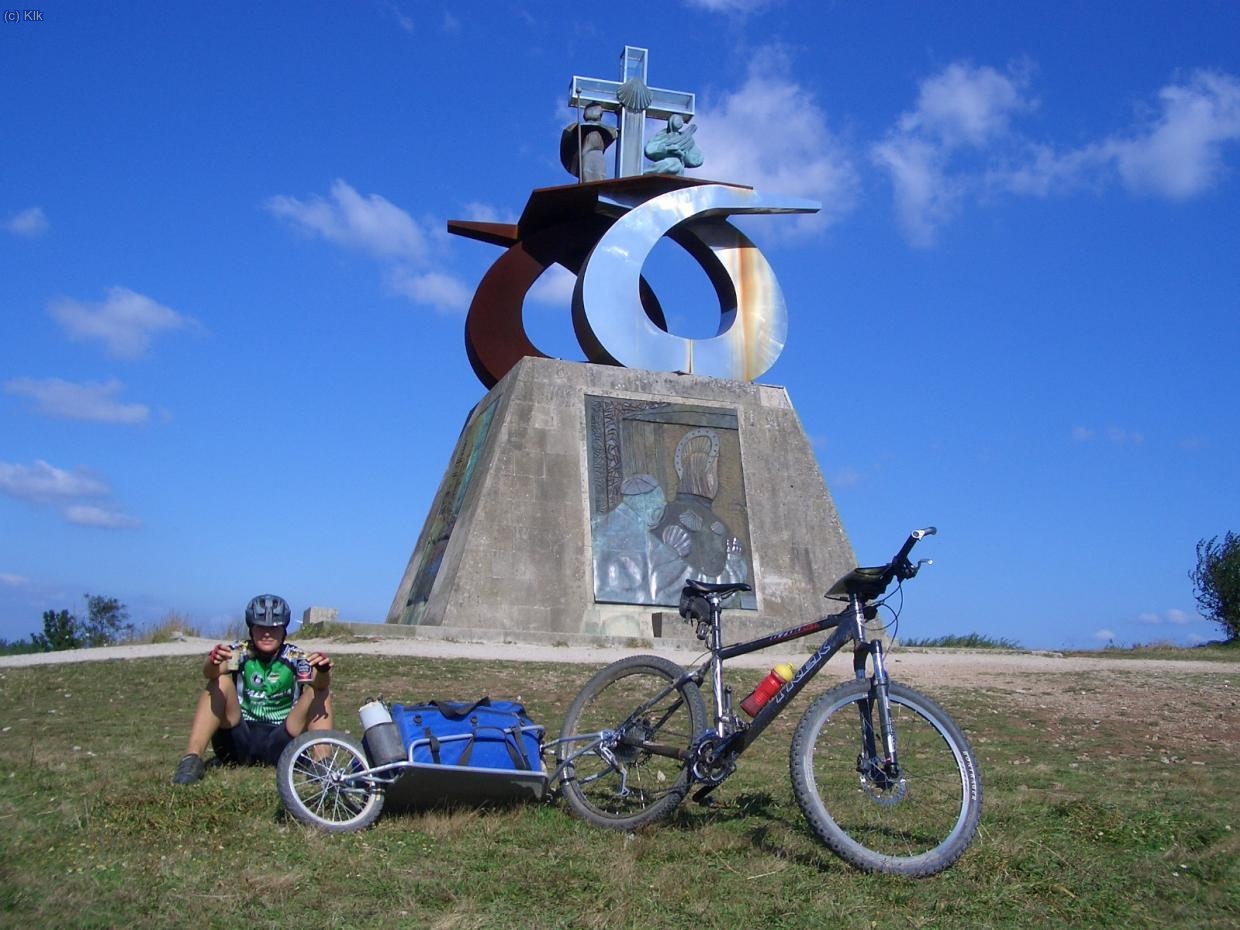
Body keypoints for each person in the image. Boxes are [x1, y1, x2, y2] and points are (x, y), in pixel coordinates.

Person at [171, 594, 334, 785]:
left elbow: (321, 683)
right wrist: (213, 660)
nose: (267, 633)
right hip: (239, 740)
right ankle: (191, 760)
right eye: (261, 627)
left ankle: (323, 765)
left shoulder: (296, 656)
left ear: (283, 631)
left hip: (282, 743)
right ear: (251, 629)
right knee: (220, 682)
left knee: (320, 692)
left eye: (274, 628)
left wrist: (323, 670)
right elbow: (210, 672)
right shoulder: (239, 651)